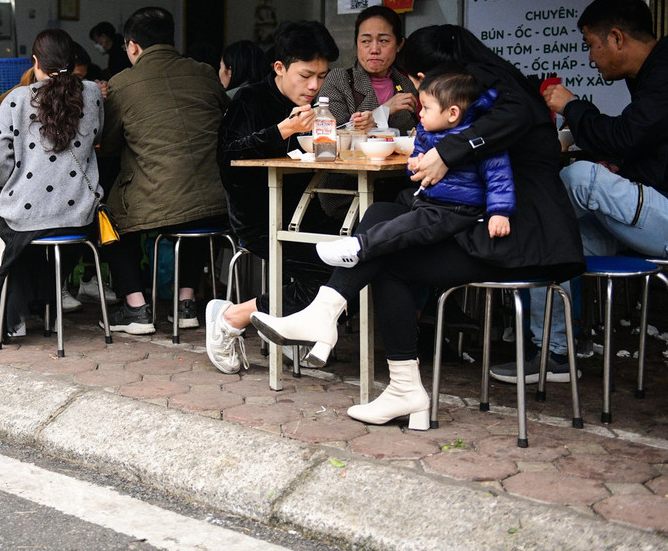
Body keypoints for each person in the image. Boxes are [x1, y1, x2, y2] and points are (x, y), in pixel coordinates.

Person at [250, 25, 583, 430]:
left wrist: (445, 152)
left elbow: (495, 137)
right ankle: (328, 311)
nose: (421, 87)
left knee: (385, 255)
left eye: (423, 78)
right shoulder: (484, 100)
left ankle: (399, 384)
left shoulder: (500, 101)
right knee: (380, 217)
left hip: (513, 235)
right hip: (479, 226)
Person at [491, 0, 668, 383]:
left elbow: (626, 136)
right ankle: (556, 351)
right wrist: (619, 165)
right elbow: (655, 149)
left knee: (574, 179)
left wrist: (572, 106)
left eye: (592, 46)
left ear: (616, 38)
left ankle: (548, 340)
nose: (591, 58)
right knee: (555, 237)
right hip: (664, 214)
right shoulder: (656, 74)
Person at [205, 21, 341, 373]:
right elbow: (228, 159)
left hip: (307, 212)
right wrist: (284, 130)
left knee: (358, 261)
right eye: (306, 75)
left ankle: (284, 328)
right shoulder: (249, 99)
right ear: (279, 68)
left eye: (322, 77)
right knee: (330, 276)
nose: (314, 86)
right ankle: (235, 316)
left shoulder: (315, 109)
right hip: (259, 218)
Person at [98, 7, 228, 334]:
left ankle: (136, 308)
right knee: (194, 206)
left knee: (109, 219)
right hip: (216, 200)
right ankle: (185, 303)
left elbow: (110, 144)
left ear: (132, 47)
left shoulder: (122, 83)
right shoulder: (204, 73)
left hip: (157, 198)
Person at [315, 65, 514, 273]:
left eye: (427, 108)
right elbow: (415, 173)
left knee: (410, 223)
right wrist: (415, 165)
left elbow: (499, 178)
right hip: (431, 199)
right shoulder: (426, 132)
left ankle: (359, 247)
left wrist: (500, 212)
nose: (420, 113)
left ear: (452, 113)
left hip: (457, 208)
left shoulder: (478, 138)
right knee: (399, 200)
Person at [0, 29, 104, 335]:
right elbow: (95, 136)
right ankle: (46, 304)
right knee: (41, 233)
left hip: (25, 214)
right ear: (72, 60)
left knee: (20, 228)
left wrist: (3, 186)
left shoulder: (18, 99)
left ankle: (16, 319)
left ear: (35, 61)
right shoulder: (91, 94)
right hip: (79, 215)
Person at [321, 5, 418, 134]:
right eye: (366, 41)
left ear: (399, 45)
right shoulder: (340, 79)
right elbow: (328, 133)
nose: (374, 50)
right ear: (357, 43)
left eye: (383, 41)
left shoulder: (406, 85)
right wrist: (382, 112)